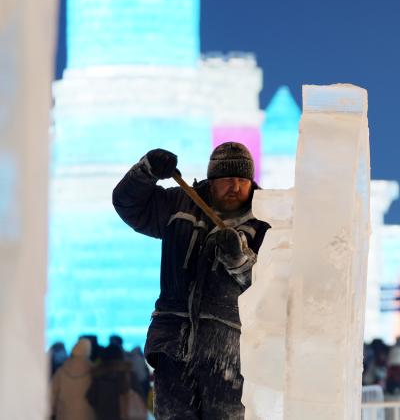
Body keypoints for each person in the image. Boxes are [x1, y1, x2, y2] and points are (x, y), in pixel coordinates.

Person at [112, 143, 270, 420]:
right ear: (211, 180)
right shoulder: (180, 203)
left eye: (242, 180)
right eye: (226, 180)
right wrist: (145, 171)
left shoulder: (264, 223)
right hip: (173, 347)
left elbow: (269, 289)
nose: (235, 187)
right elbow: (129, 204)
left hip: (230, 356)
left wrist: (239, 259)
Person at [50, 338, 96, 420]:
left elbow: (52, 394)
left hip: (64, 414)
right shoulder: (93, 371)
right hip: (87, 414)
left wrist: (52, 412)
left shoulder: (62, 370)